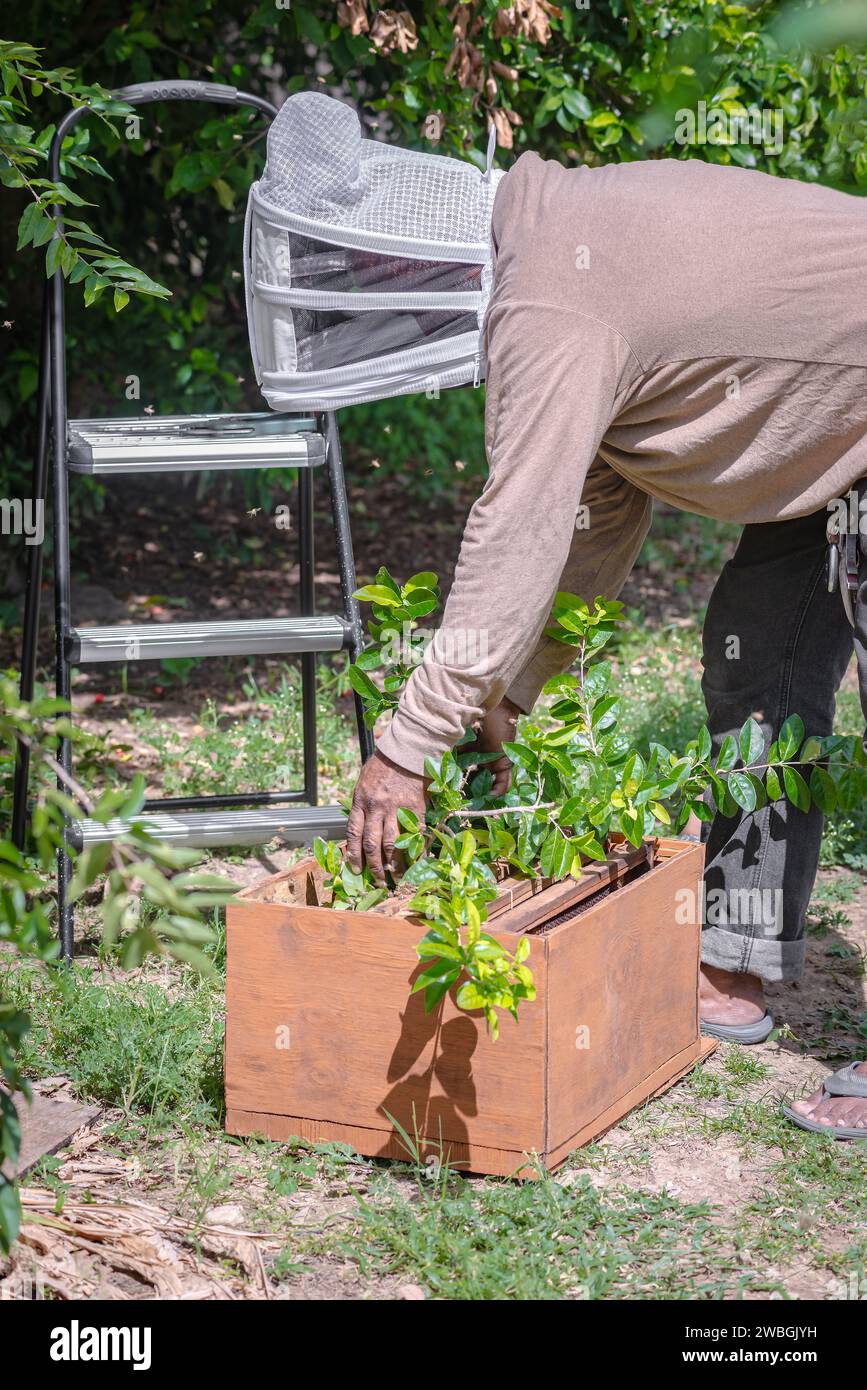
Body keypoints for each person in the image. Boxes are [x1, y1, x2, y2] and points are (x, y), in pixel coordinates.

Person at [345, 150, 867, 1138]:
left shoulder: (549, 294)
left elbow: (519, 527)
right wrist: (517, 699)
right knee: (759, 665)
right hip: (837, 429)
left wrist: (407, 744)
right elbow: (592, 520)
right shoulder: (554, 234)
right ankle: (737, 954)